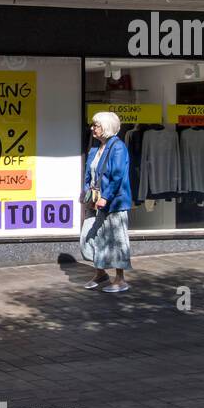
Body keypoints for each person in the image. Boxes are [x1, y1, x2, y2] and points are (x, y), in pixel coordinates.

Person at [80, 111, 133, 293]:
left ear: (107, 127)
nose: (92, 128)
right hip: (95, 201)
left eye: (96, 125)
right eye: (93, 125)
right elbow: (89, 174)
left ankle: (120, 279)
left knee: (115, 240)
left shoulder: (117, 147)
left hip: (113, 202)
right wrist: (86, 193)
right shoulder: (95, 148)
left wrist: (105, 197)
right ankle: (100, 272)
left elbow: (117, 176)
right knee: (89, 236)